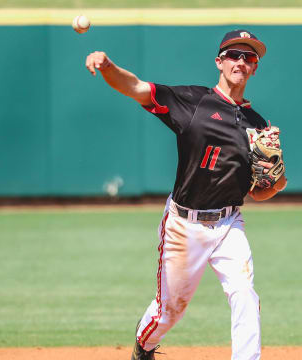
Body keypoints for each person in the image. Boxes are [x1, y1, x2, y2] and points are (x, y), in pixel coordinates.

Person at [85, 29, 287, 360]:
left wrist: (278, 182)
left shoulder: (257, 124)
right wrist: (107, 66)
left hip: (228, 222)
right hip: (184, 225)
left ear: (255, 68)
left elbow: (259, 192)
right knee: (170, 312)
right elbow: (137, 89)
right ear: (219, 62)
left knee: (244, 294)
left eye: (249, 57)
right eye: (234, 55)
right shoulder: (194, 102)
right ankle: (144, 344)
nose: (241, 61)